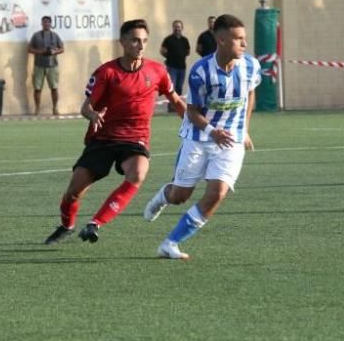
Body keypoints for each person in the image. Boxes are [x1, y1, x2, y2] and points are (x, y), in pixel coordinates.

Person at [43, 19, 186, 244]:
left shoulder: (157, 71)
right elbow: (86, 107)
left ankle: (94, 224)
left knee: (138, 173)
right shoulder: (106, 72)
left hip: (135, 139)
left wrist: (198, 125)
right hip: (103, 137)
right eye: (135, 40)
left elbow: (176, 101)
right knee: (74, 192)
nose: (140, 46)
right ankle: (67, 225)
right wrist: (93, 115)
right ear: (123, 42)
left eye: (144, 41)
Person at [142, 14, 261, 260]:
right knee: (180, 196)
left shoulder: (251, 66)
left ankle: (170, 243)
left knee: (217, 193)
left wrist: (244, 129)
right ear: (221, 40)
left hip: (231, 141)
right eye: (239, 39)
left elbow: (250, 95)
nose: (244, 44)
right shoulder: (200, 71)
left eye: (244, 38)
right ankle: (164, 195)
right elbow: (192, 111)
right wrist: (212, 132)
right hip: (199, 137)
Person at [27, 16, 65, 115]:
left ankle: (55, 108)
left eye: (48, 22)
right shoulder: (36, 36)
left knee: (54, 88)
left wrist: (54, 52)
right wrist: (41, 51)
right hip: (39, 65)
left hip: (53, 66)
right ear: (42, 24)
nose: (46, 24)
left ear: (50, 24)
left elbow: (62, 49)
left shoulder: (55, 36)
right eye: (44, 22)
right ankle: (37, 109)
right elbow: (29, 49)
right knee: (37, 88)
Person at [160, 20, 191, 96]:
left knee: (179, 87)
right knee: (171, 87)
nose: (177, 28)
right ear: (173, 28)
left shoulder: (185, 40)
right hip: (172, 67)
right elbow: (162, 51)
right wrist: (170, 57)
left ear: (182, 28)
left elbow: (188, 52)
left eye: (179, 27)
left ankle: (178, 106)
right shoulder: (168, 39)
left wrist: (181, 55)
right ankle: (171, 107)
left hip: (182, 67)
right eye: (175, 27)